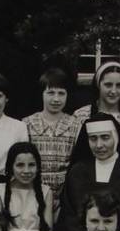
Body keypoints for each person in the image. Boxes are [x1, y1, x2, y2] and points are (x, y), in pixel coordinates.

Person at [22, 67, 81, 215]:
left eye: (61, 93)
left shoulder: (75, 125)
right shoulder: (27, 124)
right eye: (50, 93)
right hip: (32, 195)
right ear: (42, 94)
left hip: (65, 199)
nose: (56, 99)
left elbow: (77, 165)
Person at [72, 61, 120, 130]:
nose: (113, 91)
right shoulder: (81, 116)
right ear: (98, 85)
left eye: (119, 85)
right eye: (108, 85)